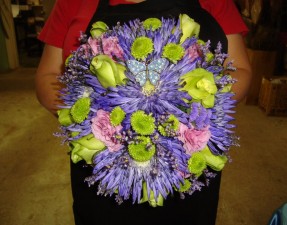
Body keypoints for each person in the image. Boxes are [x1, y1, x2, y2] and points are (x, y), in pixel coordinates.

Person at [35, 0, 252, 225]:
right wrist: (87, 117)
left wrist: (193, 112)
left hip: (190, 175)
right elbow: (48, 76)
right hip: (101, 177)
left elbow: (241, 70)